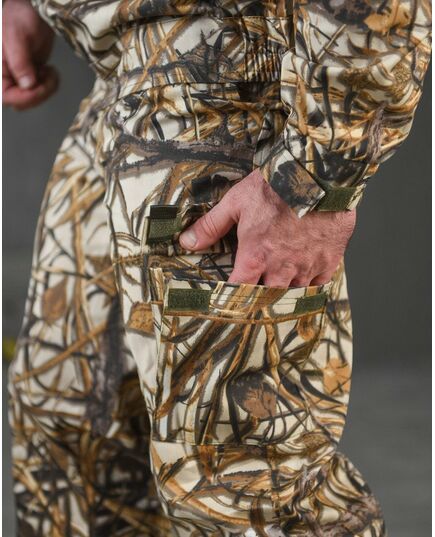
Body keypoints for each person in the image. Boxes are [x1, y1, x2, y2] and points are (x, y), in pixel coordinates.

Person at [3, 0, 431, 535]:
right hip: (119, 91)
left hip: (224, 105)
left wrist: (315, 177)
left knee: (244, 489)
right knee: (73, 436)